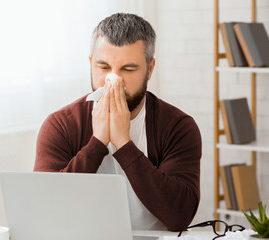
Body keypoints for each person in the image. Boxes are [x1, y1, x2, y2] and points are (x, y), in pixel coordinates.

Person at [33, 13, 202, 232]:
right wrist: (97, 143)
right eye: (103, 67)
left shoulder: (178, 128)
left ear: (149, 69)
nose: (113, 80)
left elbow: (179, 216)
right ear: (90, 64)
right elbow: (44, 211)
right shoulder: (60, 126)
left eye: (128, 69)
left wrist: (124, 143)